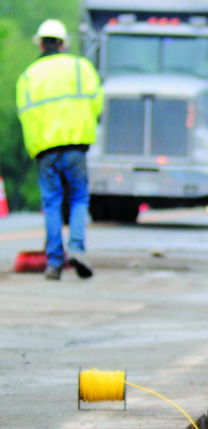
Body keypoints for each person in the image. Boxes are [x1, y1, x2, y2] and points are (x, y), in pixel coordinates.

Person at [16, 19, 103, 280]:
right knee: (78, 199)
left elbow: (25, 115)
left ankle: (54, 263)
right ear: (63, 44)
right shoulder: (81, 68)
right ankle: (77, 248)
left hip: (45, 151)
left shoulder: (28, 76)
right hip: (76, 146)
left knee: (52, 204)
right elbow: (97, 104)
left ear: (41, 44)